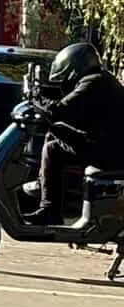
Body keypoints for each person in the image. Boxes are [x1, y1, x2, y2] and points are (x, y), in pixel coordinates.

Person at [27, 42, 124, 225]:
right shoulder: (100, 79)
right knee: (54, 133)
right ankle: (44, 186)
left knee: (52, 149)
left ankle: (49, 208)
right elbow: (71, 111)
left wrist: (36, 97)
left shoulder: (93, 83)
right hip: (108, 144)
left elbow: (59, 111)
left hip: (109, 152)